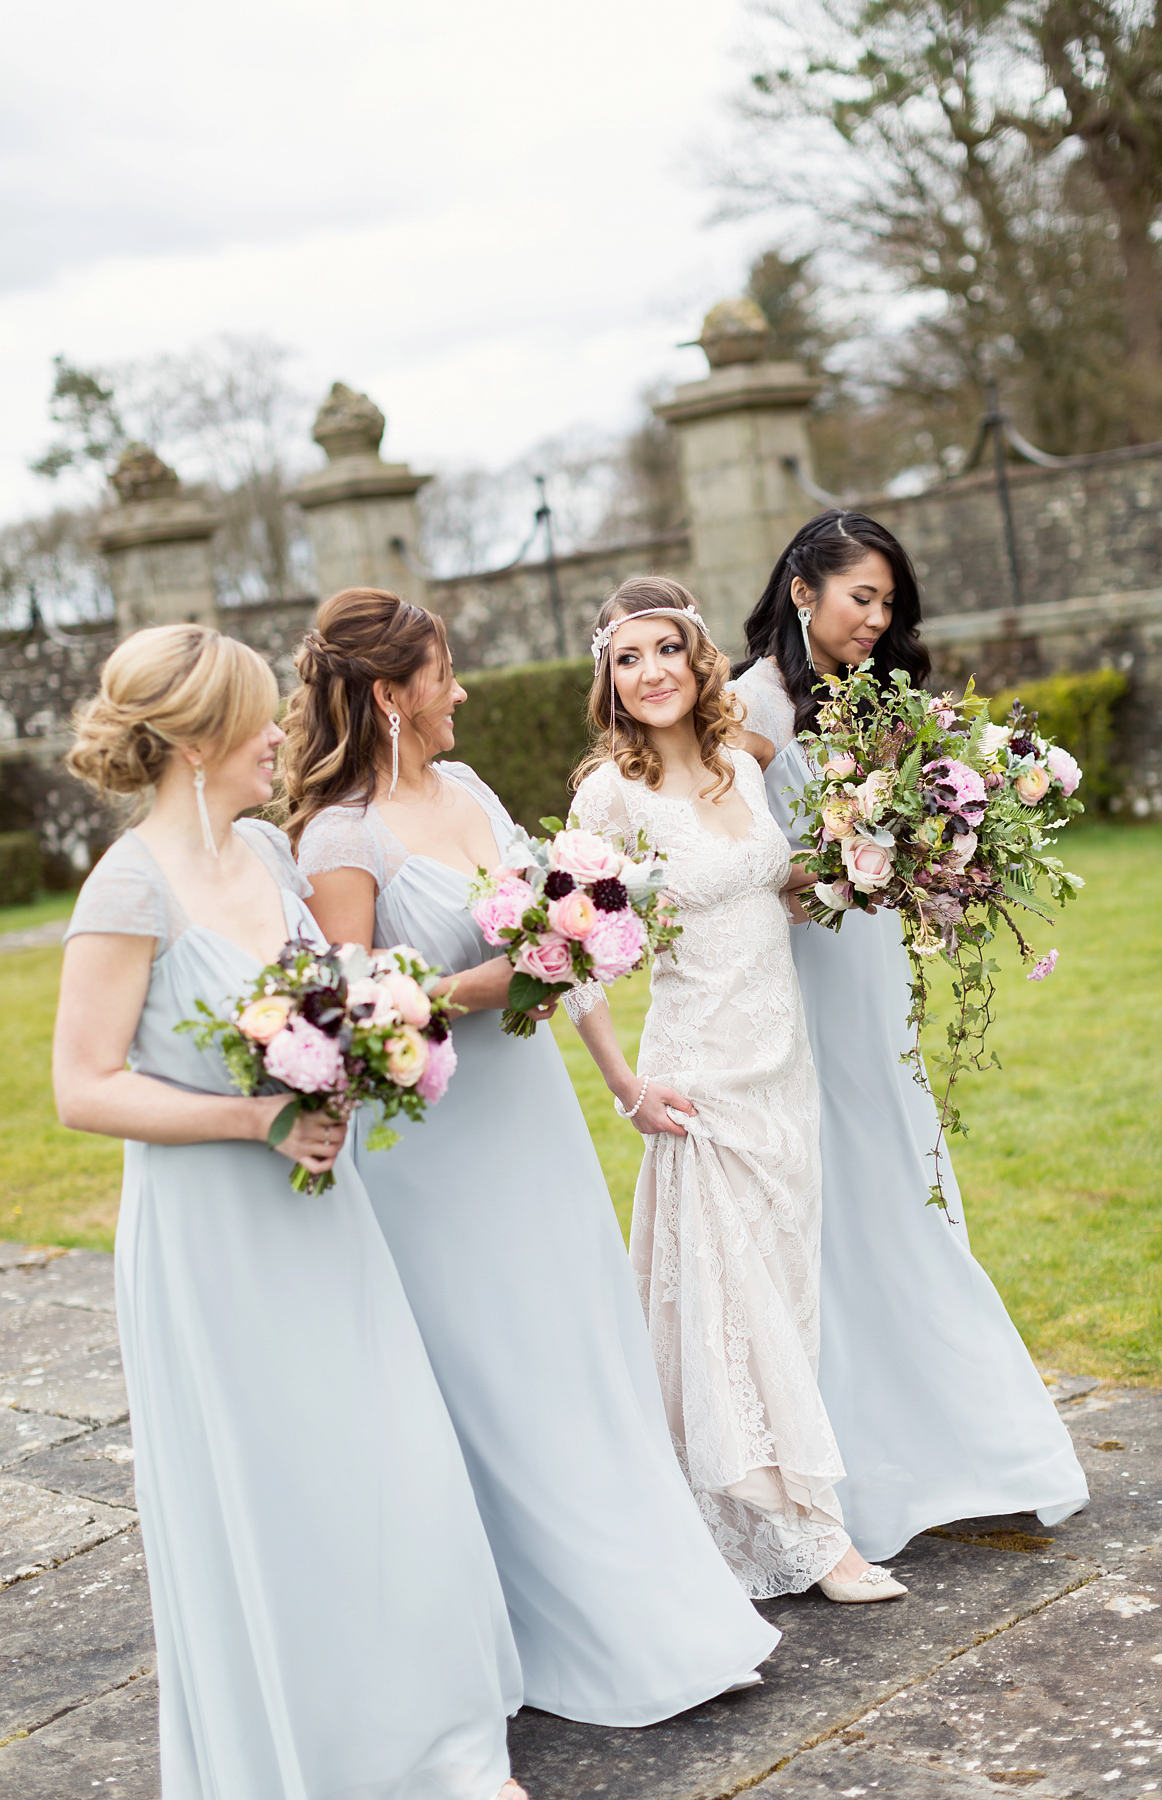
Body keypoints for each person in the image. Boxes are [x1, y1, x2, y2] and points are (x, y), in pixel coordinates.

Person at [282, 587, 780, 1729]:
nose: (458, 692)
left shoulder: (464, 787)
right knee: (503, 1377)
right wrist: (486, 984)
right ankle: (565, 1634)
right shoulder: (339, 839)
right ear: (386, 697)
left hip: (533, 1117)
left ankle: (663, 1610)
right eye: (442, 675)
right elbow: (352, 1014)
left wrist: (618, 1078)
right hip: (437, 1151)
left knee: (585, 1348)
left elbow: (564, 925)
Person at [53, 623, 527, 1800]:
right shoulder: (128, 884)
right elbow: (81, 1088)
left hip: (326, 1211)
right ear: (201, 736)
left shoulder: (267, 852)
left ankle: (443, 1747)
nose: (281, 734)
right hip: (216, 1238)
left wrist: (373, 1038)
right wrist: (253, 1120)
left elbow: (337, 990)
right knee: (281, 1490)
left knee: (389, 1465)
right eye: (260, 717)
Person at [729, 508, 1089, 1561]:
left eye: (889, 604)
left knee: (904, 1173)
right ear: (803, 590)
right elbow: (742, 868)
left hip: (873, 974)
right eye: (861, 599)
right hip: (799, 985)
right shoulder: (751, 708)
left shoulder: (878, 699)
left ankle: (963, 1441)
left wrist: (937, 863)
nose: (878, 621)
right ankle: (854, 1459)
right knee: (840, 1190)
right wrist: (836, 864)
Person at [566, 575, 907, 1606]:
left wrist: (876, 858)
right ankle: (814, 1539)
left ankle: (722, 1520)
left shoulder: (736, 763)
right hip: (697, 1075)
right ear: (609, 680)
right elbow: (568, 953)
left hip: (781, 1068)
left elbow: (775, 889)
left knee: (781, 1293)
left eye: (665, 650)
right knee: (732, 1300)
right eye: (628, 659)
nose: (651, 672)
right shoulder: (607, 797)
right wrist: (627, 1083)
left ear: (697, 657)